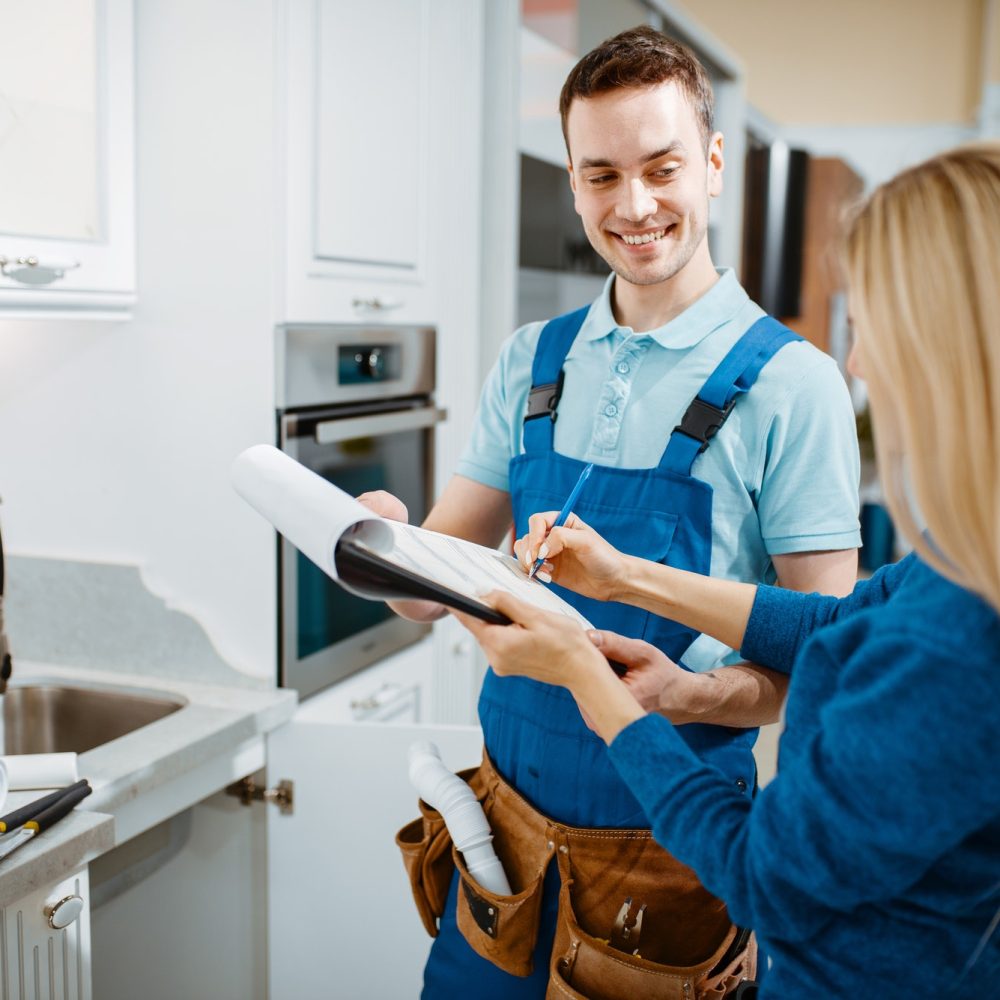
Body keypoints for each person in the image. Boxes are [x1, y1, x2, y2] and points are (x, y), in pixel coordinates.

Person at [368, 26, 861, 998]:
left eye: (661, 167)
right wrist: (380, 549)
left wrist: (688, 694)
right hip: (497, 844)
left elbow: (828, 669)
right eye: (600, 175)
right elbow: (432, 589)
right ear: (571, 178)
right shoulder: (531, 360)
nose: (632, 207)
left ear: (714, 165)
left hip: (671, 861)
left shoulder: (793, 388)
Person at [456, 142, 1000, 998]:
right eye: (600, 174)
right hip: (507, 837)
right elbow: (841, 622)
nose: (860, 364)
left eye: (877, 328)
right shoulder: (965, 568)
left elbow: (763, 873)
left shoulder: (951, 646)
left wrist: (587, 678)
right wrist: (626, 577)